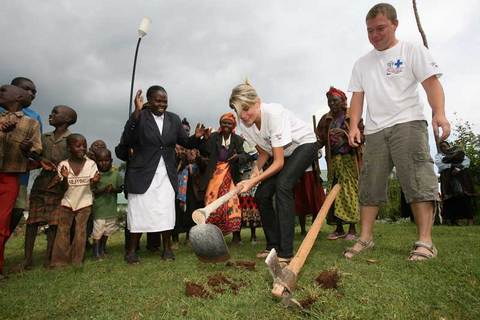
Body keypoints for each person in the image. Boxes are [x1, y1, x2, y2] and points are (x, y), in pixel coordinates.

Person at [344, 3, 450, 261]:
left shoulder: (412, 50)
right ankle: (365, 238)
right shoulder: (362, 63)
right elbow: (357, 99)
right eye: (369, 30)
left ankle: (425, 242)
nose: (374, 35)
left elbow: (431, 83)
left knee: (416, 180)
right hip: (376, 130)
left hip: (408, 123)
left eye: (380, 28)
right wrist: (353, 125)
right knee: (370, 183)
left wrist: (439, 113)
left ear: (394, 24)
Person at [230, 81, 318, 266]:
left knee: (283, 186)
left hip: (305, 145)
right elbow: (264, 154)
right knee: (262, 194)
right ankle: (273, 246)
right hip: (283, 154)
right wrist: (255, 172)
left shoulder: (274, 114)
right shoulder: (244, 125)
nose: (244, 116)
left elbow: (278, 163)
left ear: (257, 102)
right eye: (239, 112)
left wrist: (252, 183)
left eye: (246, 109)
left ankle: (286, 251)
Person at [116, 86, 205, 264]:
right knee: (139, 211)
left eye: (165, 101)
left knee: (165, 211)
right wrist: (136, 112)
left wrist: (196, 137)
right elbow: (127, 139)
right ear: (148, 100)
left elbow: (185, 142)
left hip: (166, 173)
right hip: (142, 173)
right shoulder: (139, 116)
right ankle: (132, 251)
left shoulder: (173, 119)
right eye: (158, 100)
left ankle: (167, 250)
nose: (162, 104)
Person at [22, 105, 77, 269]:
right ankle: (27, 259)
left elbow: (75, 162)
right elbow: (37, 158)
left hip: (59, 186)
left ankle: (49, 258)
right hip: (41, 183)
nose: (51, 115)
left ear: (67, 120)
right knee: (32, 221)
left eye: (55, 113)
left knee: (54, 224)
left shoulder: (72, 139)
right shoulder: (44, 137)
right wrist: (28, 152)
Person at [0, 85, 42, 278]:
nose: (0, 92)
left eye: (3, 90)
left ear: (17, 96)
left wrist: (27, 149)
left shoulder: (30, 123)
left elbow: (37, 152)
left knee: (2, 223)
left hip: (10, 176)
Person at [317, 87, 363, 241]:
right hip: (333, 161)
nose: (331, 104)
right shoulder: (326, 119)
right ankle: (338, 228)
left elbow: (362, 136)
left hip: (349, 160)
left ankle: (352, 228)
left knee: (349, 191)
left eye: (335, 101)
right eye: (329, 101)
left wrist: (345, 136)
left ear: (343, 101)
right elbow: (321, 139)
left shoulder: (352, 117)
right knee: (333, 192)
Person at [49, 134, 100, 267]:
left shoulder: (91, 164)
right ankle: (59, 261)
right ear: (69, 148)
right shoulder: (63, 165)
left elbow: (94, 185)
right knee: (63, 230)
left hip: (85, 202)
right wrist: (65, 178)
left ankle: (77, 260)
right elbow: (63, 188)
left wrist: (95, 181)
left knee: (80, 231)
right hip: (67, 202)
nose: (82, 148)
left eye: (84, 146)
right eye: (78, 146)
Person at [199, 112, 249, 243]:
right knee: (211, 202)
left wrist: (238, 157)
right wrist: (205, 139)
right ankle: (212, 236)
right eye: (224, 123)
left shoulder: (237, 139)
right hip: (214, 174)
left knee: (232, 203)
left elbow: (245, 155)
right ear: (220, 124)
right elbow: (205, 152)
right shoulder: (214, 136)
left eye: (229, 123)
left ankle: (236, 236)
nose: (226, 125)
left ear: (233, 125)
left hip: (231, 175)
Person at [91, 149, 123, 259]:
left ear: (111, 160)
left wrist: (113, 189)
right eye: (100, 161)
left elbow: (120, 189)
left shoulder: (116, 174)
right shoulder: (95, 175)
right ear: (96, 161)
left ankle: (102, 249)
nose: (103, 163)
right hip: (99, 210)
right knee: (98, 232)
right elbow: (92, 191)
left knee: (107, 232)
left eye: (106, 160)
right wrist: (103, 190)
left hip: (111, 209)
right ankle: (96, 253)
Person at [435, 141, 475, 225]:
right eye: (441, 147)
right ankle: (453, 221)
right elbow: (441, 165)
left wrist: (458, 168)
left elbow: (466, 161)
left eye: (445, 146)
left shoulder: (458, 152)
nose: (443, 148)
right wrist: (453, 164)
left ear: (449, 146)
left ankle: (470, 221)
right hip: (447, 180)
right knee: (450, 199)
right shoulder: (439, 156)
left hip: (461, 179)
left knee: (464, 197)